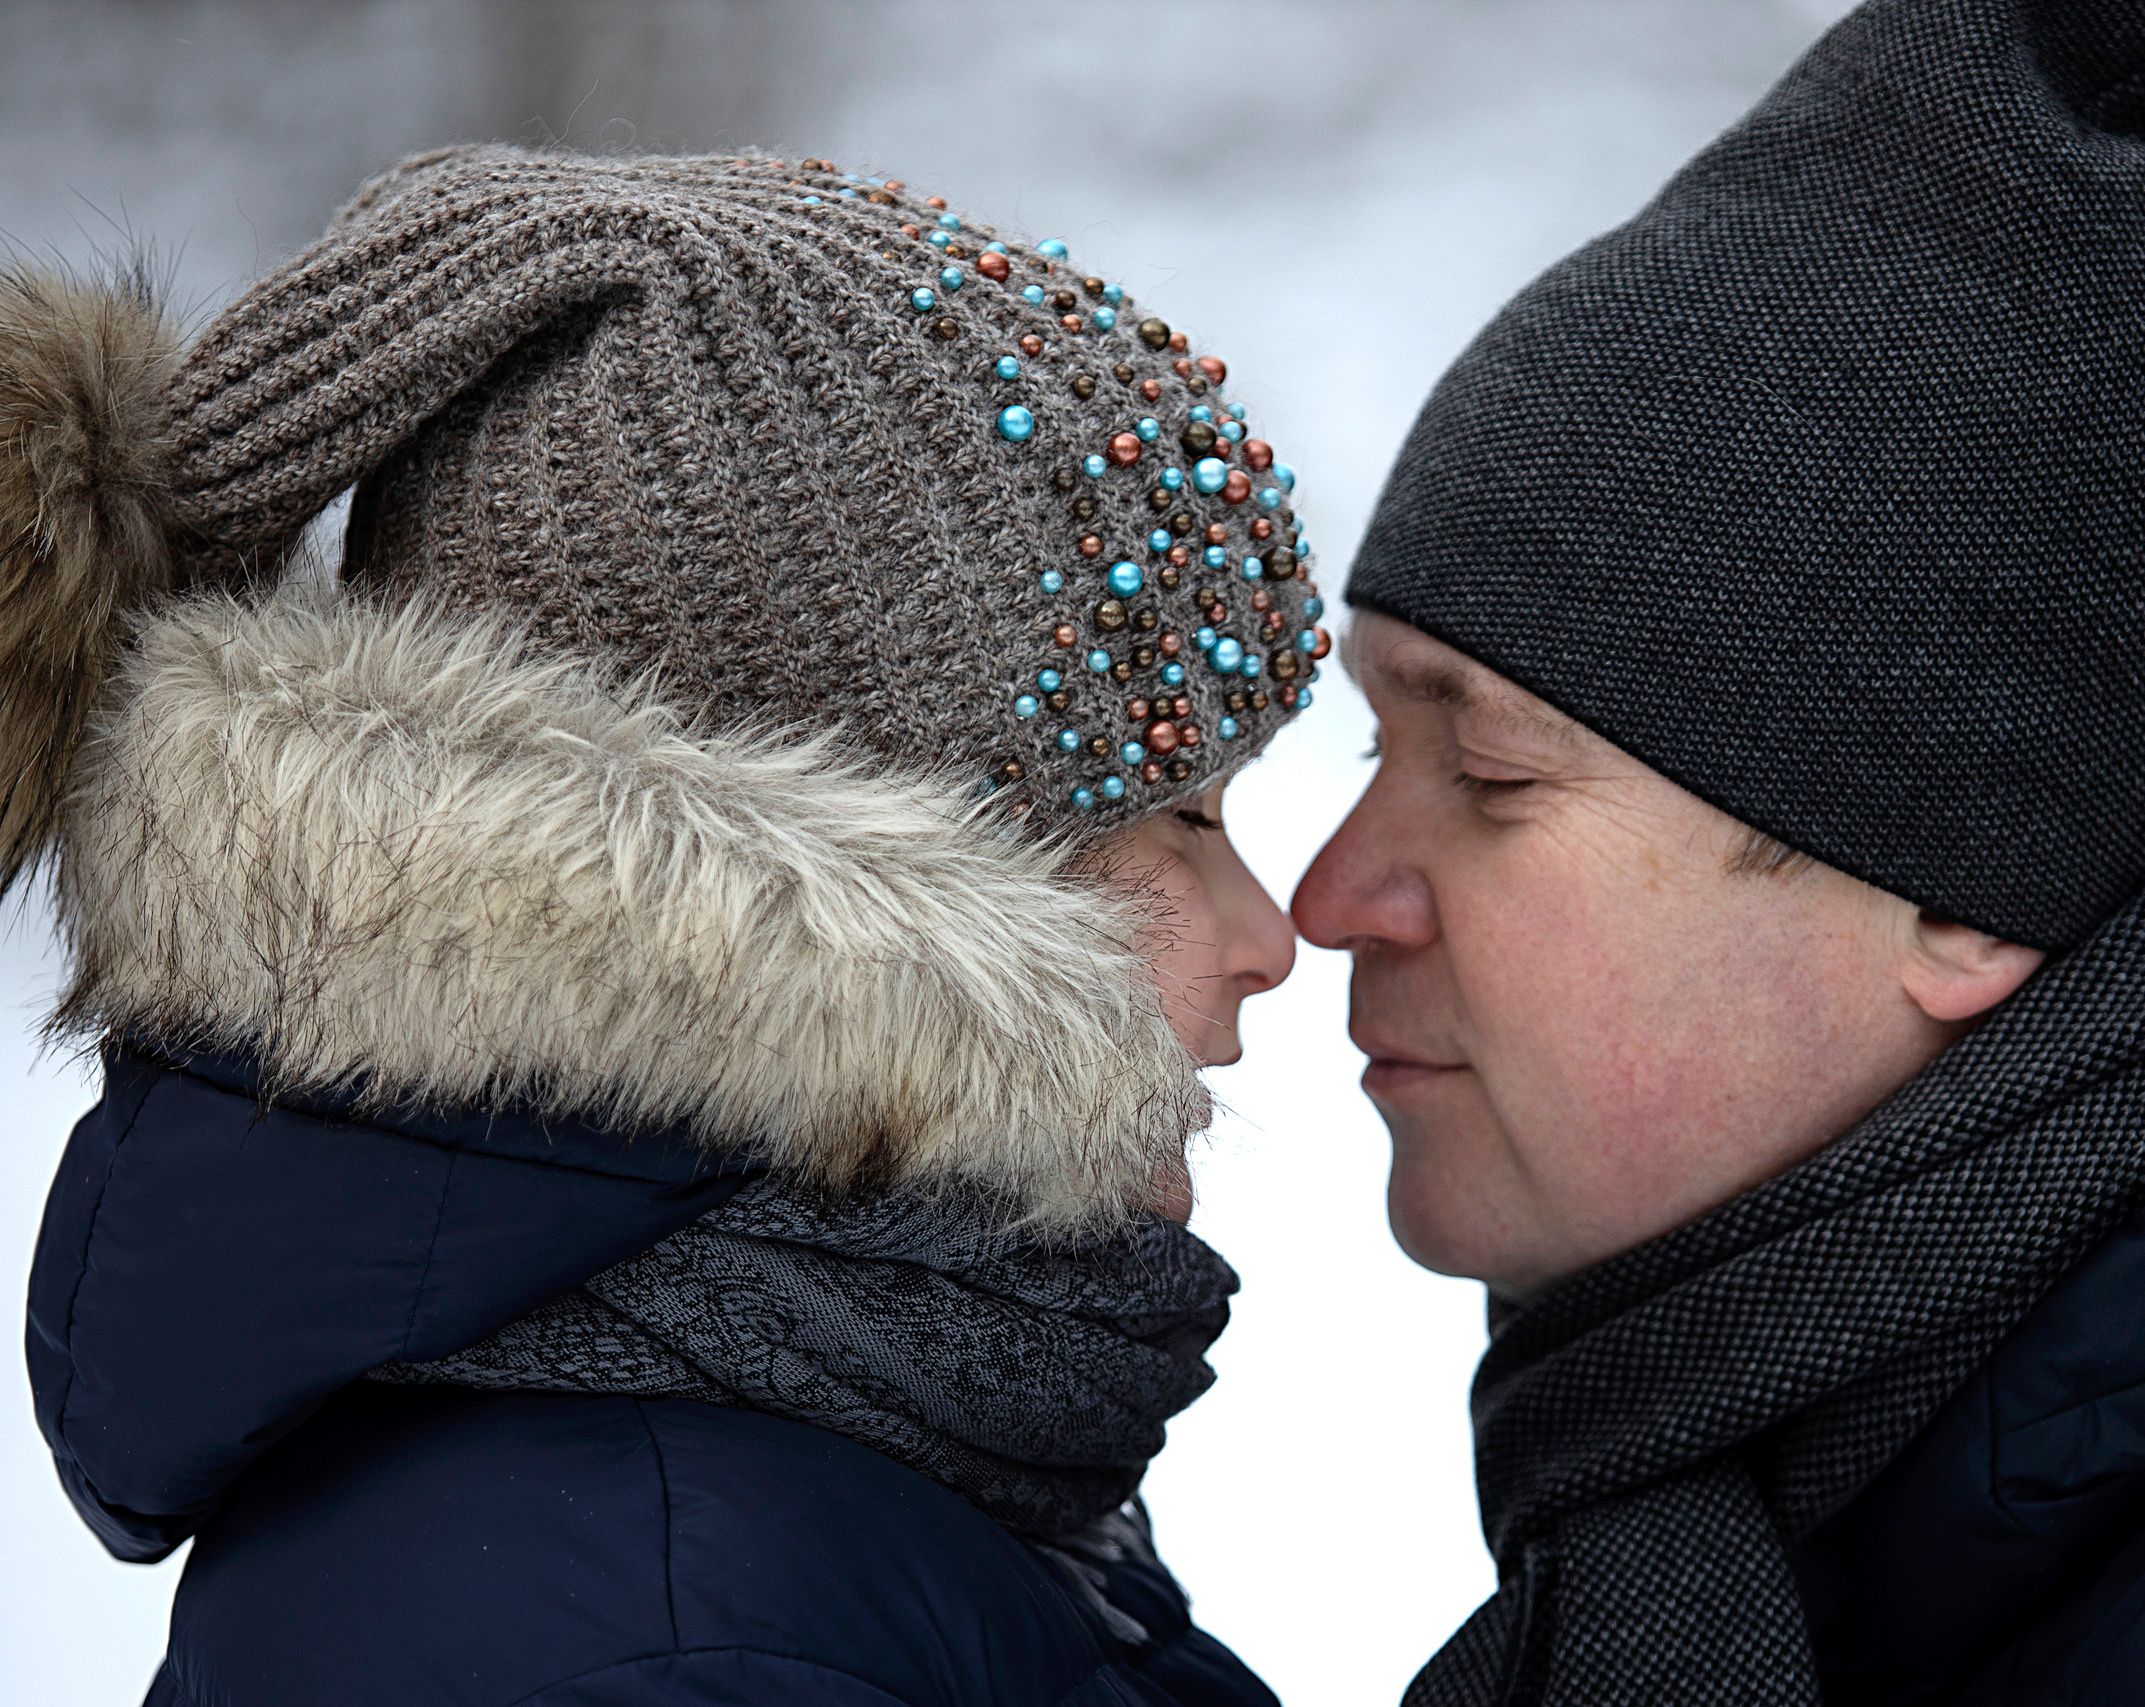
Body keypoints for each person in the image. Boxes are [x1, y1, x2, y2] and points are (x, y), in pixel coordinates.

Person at [1293, 1, 2145, 1703]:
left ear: (1968, 894)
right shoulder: (1798, 1429)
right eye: (1379, 741)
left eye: (1495, 777)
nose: (1327, 899)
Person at [8, 145, 1322, 1706]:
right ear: (856, 885)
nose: (1274, 936)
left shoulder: (820, 1414)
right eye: (1183, 821)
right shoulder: (670, 1627)